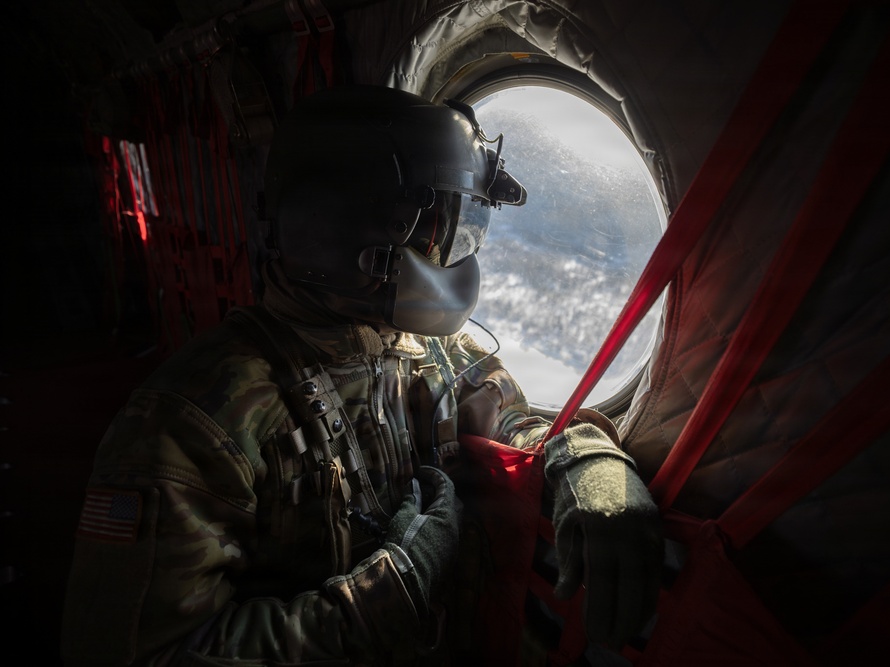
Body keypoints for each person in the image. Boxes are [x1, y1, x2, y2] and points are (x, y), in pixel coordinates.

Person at [61, 84, 663, 666]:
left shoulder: (431, 347)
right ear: (344, 231)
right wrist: (381, 599)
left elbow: (511, 418)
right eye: (436, 230)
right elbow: (144, 652)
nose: (455, 253)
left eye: (463, 227)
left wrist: (584, 457)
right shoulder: (192, 419)